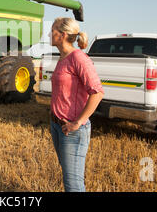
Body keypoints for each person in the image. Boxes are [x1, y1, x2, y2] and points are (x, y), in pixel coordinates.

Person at [49, 17, 104, 192]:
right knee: (68, 176)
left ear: (63, 35)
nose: (49, 34)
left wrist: (78, 122)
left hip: (72, 130)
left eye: (53, 30)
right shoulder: (63, 58)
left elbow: (97, 92)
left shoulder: (79, 58)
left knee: (73, 185)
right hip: (57, 126)